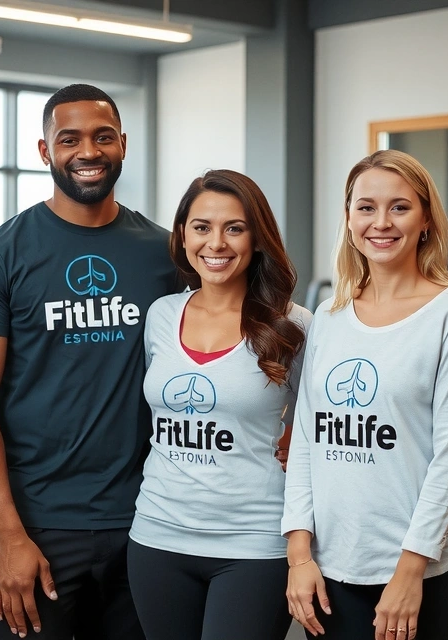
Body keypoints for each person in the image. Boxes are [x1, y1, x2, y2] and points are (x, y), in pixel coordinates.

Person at [0, 83, 180, 640]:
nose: (88, 152)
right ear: (44, 150)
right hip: (36, 527)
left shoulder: (166, 254)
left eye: (103, 137)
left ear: (122, 144)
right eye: (69, 139)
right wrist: (9, 533)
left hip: (147, 522)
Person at [282, 150, 448, 640]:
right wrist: (299, 554)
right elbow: (307, 442)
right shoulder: (329, 315)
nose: (381, 222)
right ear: (349, 218)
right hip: (331, 565)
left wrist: (410, 570)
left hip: (424, 569)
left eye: (399, 207)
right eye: (366, 207)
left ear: (426, 220)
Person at [126, 169, 310, 640]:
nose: (216, 243)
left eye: (235, 228)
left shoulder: (294, 325)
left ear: (257, 237)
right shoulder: (161, 314)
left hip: (255, 543)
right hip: (157, 535)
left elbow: (317, 426)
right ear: (183, 235)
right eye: (202, 227)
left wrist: (296, 438)